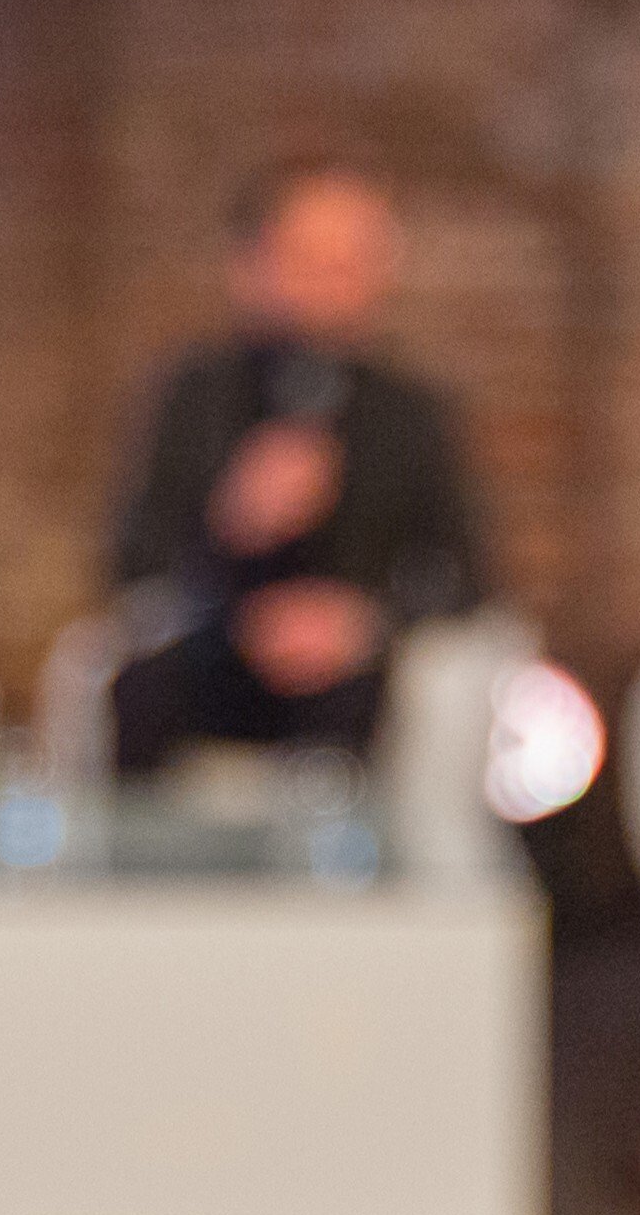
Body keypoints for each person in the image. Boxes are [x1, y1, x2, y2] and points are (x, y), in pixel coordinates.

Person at [104, 157, 488, 774]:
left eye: (357, 260)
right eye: (312, 258)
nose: (335, 283)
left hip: (357, 675)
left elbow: (466, 576)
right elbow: (132, 562)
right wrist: (229, 522)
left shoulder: (410, 414)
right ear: (250, 264)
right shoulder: (195, 397)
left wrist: (362, 622)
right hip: (214, 656)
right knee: (141, 695)